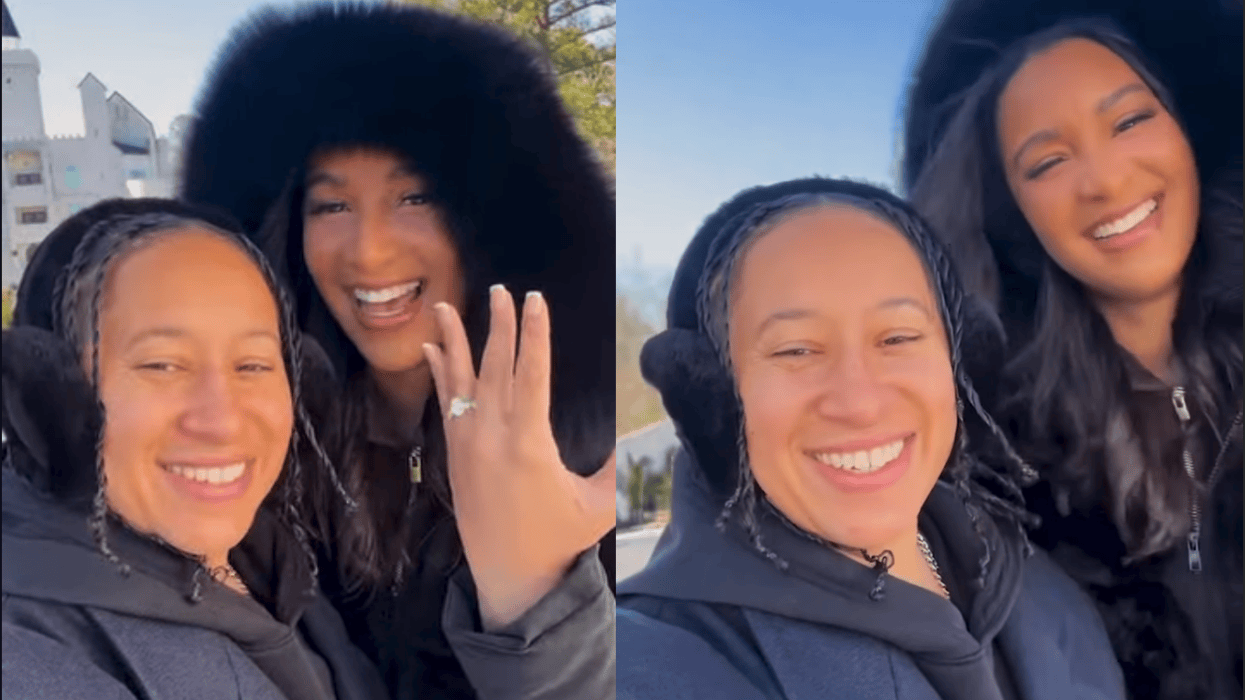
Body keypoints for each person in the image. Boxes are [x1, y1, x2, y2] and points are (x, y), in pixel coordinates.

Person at [179, 4, 616, 698]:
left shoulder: (581, 460)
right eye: (331, 206)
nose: (370, 251)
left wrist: (537, 608)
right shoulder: (251, 459)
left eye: (415, 196)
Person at [616, 177, 1127, 700]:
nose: (860, 403)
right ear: (707, 395)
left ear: (963, 365)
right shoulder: (647, 660)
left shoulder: (1046, 589)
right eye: (796, 350)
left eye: (898, 338)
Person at [902, 5, 1243, 699]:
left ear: (1185, 132)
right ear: (1011, 212)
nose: (1106, 182)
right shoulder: (989, 467)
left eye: (1128, 121)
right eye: (1048, 161)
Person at [1, 198, 388, 700]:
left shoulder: (271, 563)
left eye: (252, 365)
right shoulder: (28, 657)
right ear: (48, 399)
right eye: (162, 365)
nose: (221, 420)